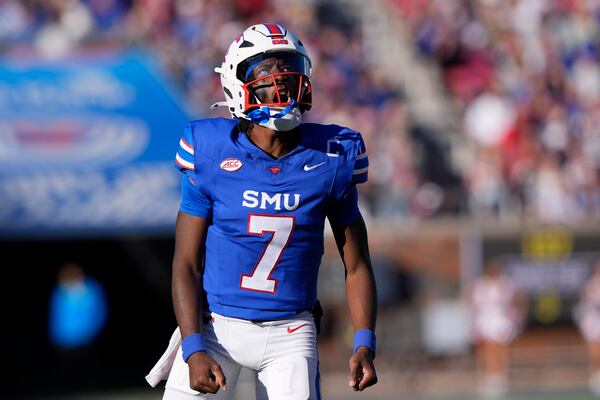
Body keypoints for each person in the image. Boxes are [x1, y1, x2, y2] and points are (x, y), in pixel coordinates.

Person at [147, 23, 378, 399]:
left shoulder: (333, 156)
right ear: (238, 84)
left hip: (291, 331)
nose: (281, 81)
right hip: (217, 327)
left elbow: (357, 263)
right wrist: (192, 348)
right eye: (266, 73)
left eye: (288, 69)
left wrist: (365, 341)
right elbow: (185, 262)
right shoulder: (210, 150)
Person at [466, 259, 526, 399]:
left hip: (500, 318)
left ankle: (500, 376)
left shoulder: (505, 284)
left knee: (500, 348)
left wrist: (516, 314)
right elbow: (471, 301)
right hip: (485, 319)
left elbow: (518, 298)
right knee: (487, 348)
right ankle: (488, 375)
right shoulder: (480, 285)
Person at [577, 261, 600, 396]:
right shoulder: (590, 285)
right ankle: (595, 376)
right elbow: (586, 301)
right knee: (594, 351)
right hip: (593, 321)